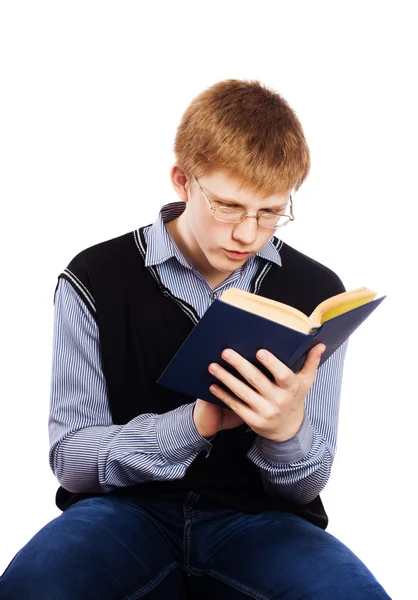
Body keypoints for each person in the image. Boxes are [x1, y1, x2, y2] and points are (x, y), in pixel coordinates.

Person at [0, 79, 391, 599]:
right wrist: (196, 424)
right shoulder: (93, 277)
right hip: (122, 514)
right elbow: (71, 460)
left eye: (271, 212)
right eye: (228, 206)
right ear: (182, 181)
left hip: (262, 523)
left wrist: (285, 431)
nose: (248, 234)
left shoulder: (315, 291)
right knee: (31, 588)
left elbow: (304, 485)